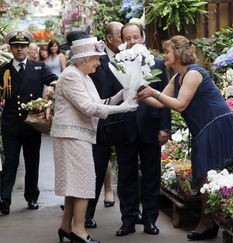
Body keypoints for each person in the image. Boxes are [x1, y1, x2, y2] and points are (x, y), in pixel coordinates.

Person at [137, 35, 233, 241]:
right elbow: (159, 103)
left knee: (207, 174)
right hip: (204, 128)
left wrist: (152, 93)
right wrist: (136, 93)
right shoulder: (178, 77)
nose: (164, 55)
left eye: (167, 51)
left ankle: (209, 221)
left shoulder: (193, 74)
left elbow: (179, 104)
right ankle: (210, 220)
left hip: (215, 124)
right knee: (205, 175)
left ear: (178, 53)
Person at [51, 37, 137, 243]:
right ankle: (78, 231)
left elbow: (99, 103)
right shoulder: (72, 76)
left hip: (76, 136)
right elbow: (90, 108)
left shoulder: (82, 75)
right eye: (96, 59)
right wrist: (122, 108)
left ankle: (65, 227)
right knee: (82, 183)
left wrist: (122, 94)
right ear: (84, 59)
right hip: (71, 137)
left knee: (75, 184)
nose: (98, 63)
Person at [115, 22, 171, 237]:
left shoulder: (156, 62)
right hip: (125, 128)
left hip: (150, 126)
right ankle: (128, 220)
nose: (132, 42)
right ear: (122, 41)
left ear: (142, 38)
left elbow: (166, 97)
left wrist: (165, 127)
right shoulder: (116, 64)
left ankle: (150, 220)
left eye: (136, 37)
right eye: (127, 38)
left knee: (151, 177)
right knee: (127, 177)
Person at [0, 30, 58, 215]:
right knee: (10, 162)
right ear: (10, 48)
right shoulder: (3, 70)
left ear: (27, 48)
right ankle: (4, 199)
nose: (19, 50)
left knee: (32, 161)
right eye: (16, 46)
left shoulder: (38, 67)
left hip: (32, 123)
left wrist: (50, 89)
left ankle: (32, 197)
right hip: (10, 123)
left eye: (23, 46)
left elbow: (56, 81)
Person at [83, 21, 124, 229]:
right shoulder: (97, 59)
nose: (124, 38)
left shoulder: (131, 57)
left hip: (125, 120)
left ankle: (131, 217)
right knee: (96, 170)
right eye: (120, 34)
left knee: (128, 171)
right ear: (109, 38)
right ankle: (87, 214)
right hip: (100, 122)